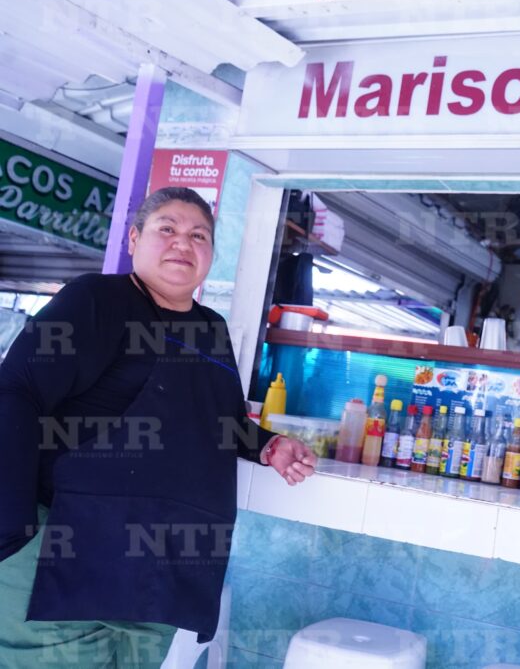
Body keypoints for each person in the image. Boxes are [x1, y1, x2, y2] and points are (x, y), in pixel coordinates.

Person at [0, 187, 317, 668]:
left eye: (199, 235)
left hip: (159, 574)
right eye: (166, 228)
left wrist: (267, 445)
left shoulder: (211, 329)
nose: (182, 243)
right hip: (62, 557)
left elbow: (221, 421)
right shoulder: (96, 300)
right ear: (134, 238)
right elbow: (16, 392)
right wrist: (12, 525)